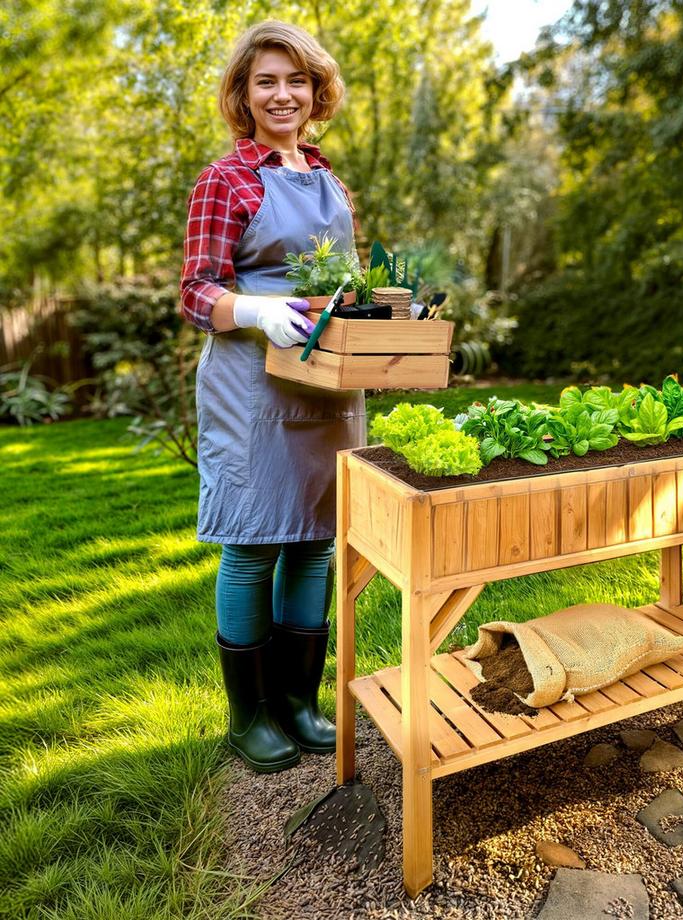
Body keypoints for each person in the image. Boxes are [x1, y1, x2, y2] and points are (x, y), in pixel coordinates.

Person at [179, 20, 365, 773]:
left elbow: (346, 279)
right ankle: (249, 714)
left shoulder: (330, 178)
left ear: (316, 91)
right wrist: (256, 310)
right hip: (251, 387)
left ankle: (297, 702)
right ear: (243, 96)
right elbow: (196, 294)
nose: (282, 94)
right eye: (266, 82)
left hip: (326, 385)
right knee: (254, 543)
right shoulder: (225, 181)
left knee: (315, 542)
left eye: (296, 80)